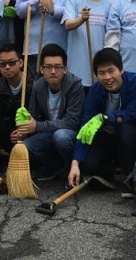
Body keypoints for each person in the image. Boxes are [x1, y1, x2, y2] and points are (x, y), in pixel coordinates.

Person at [68, 48, 136, 187]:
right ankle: (109, 174)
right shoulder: (95, 90)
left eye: (111, 71)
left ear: (121, 69)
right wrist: (75, 162)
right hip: (106, 137)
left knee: (127, 130)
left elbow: (132, 113)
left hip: (128, 136)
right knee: (87, 164)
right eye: (101, 73)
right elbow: (85, 124)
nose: (107, 77)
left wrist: (105, 117)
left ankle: (130, 175)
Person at [15, 43, 84, 180]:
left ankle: (75, 167)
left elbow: (72, 122)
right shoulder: (38, 86)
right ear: (41, 69)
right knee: (26, 147)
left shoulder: (75, 85)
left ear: (65, 69)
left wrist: (38, 126)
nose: (53, 71)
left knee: (61, 136)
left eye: (58, 67)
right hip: (49, 131)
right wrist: (23, 127)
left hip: (71, 133)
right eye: (48, 67)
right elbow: (33, 115)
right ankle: (55, 165)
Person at [63, 0, 113, 86]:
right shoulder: (74, 0)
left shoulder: (111, 4)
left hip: (100, 67)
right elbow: (68, 25)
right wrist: (81, 19)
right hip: (76, 68)